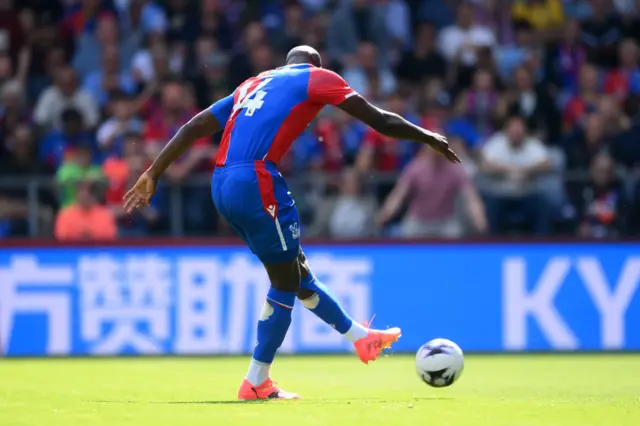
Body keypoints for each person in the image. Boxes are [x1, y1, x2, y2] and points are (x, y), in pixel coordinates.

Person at [123, 45, 459, 400]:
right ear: (316, 65)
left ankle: (360, 337)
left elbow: (195, 125)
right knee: (285, 280)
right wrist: (428, 137)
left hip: (221, 183)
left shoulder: (252, 84)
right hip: (256, 178)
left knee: (295, 272)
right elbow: (381, 121)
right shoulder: (317, 78)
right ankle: (256, 381)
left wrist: (154, 172)